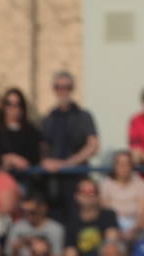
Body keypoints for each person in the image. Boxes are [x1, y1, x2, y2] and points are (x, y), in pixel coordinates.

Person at [39, 72, 99, 214]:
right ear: (54, 89)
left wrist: (67, 164)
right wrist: (45, 161)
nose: (63, 91)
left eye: (67, 87)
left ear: (72, 89)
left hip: (77, 180)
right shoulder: (48, 118)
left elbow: (93, 145)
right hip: (54, 182)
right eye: (59, 87)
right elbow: (42, 147)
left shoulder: (84, 116)